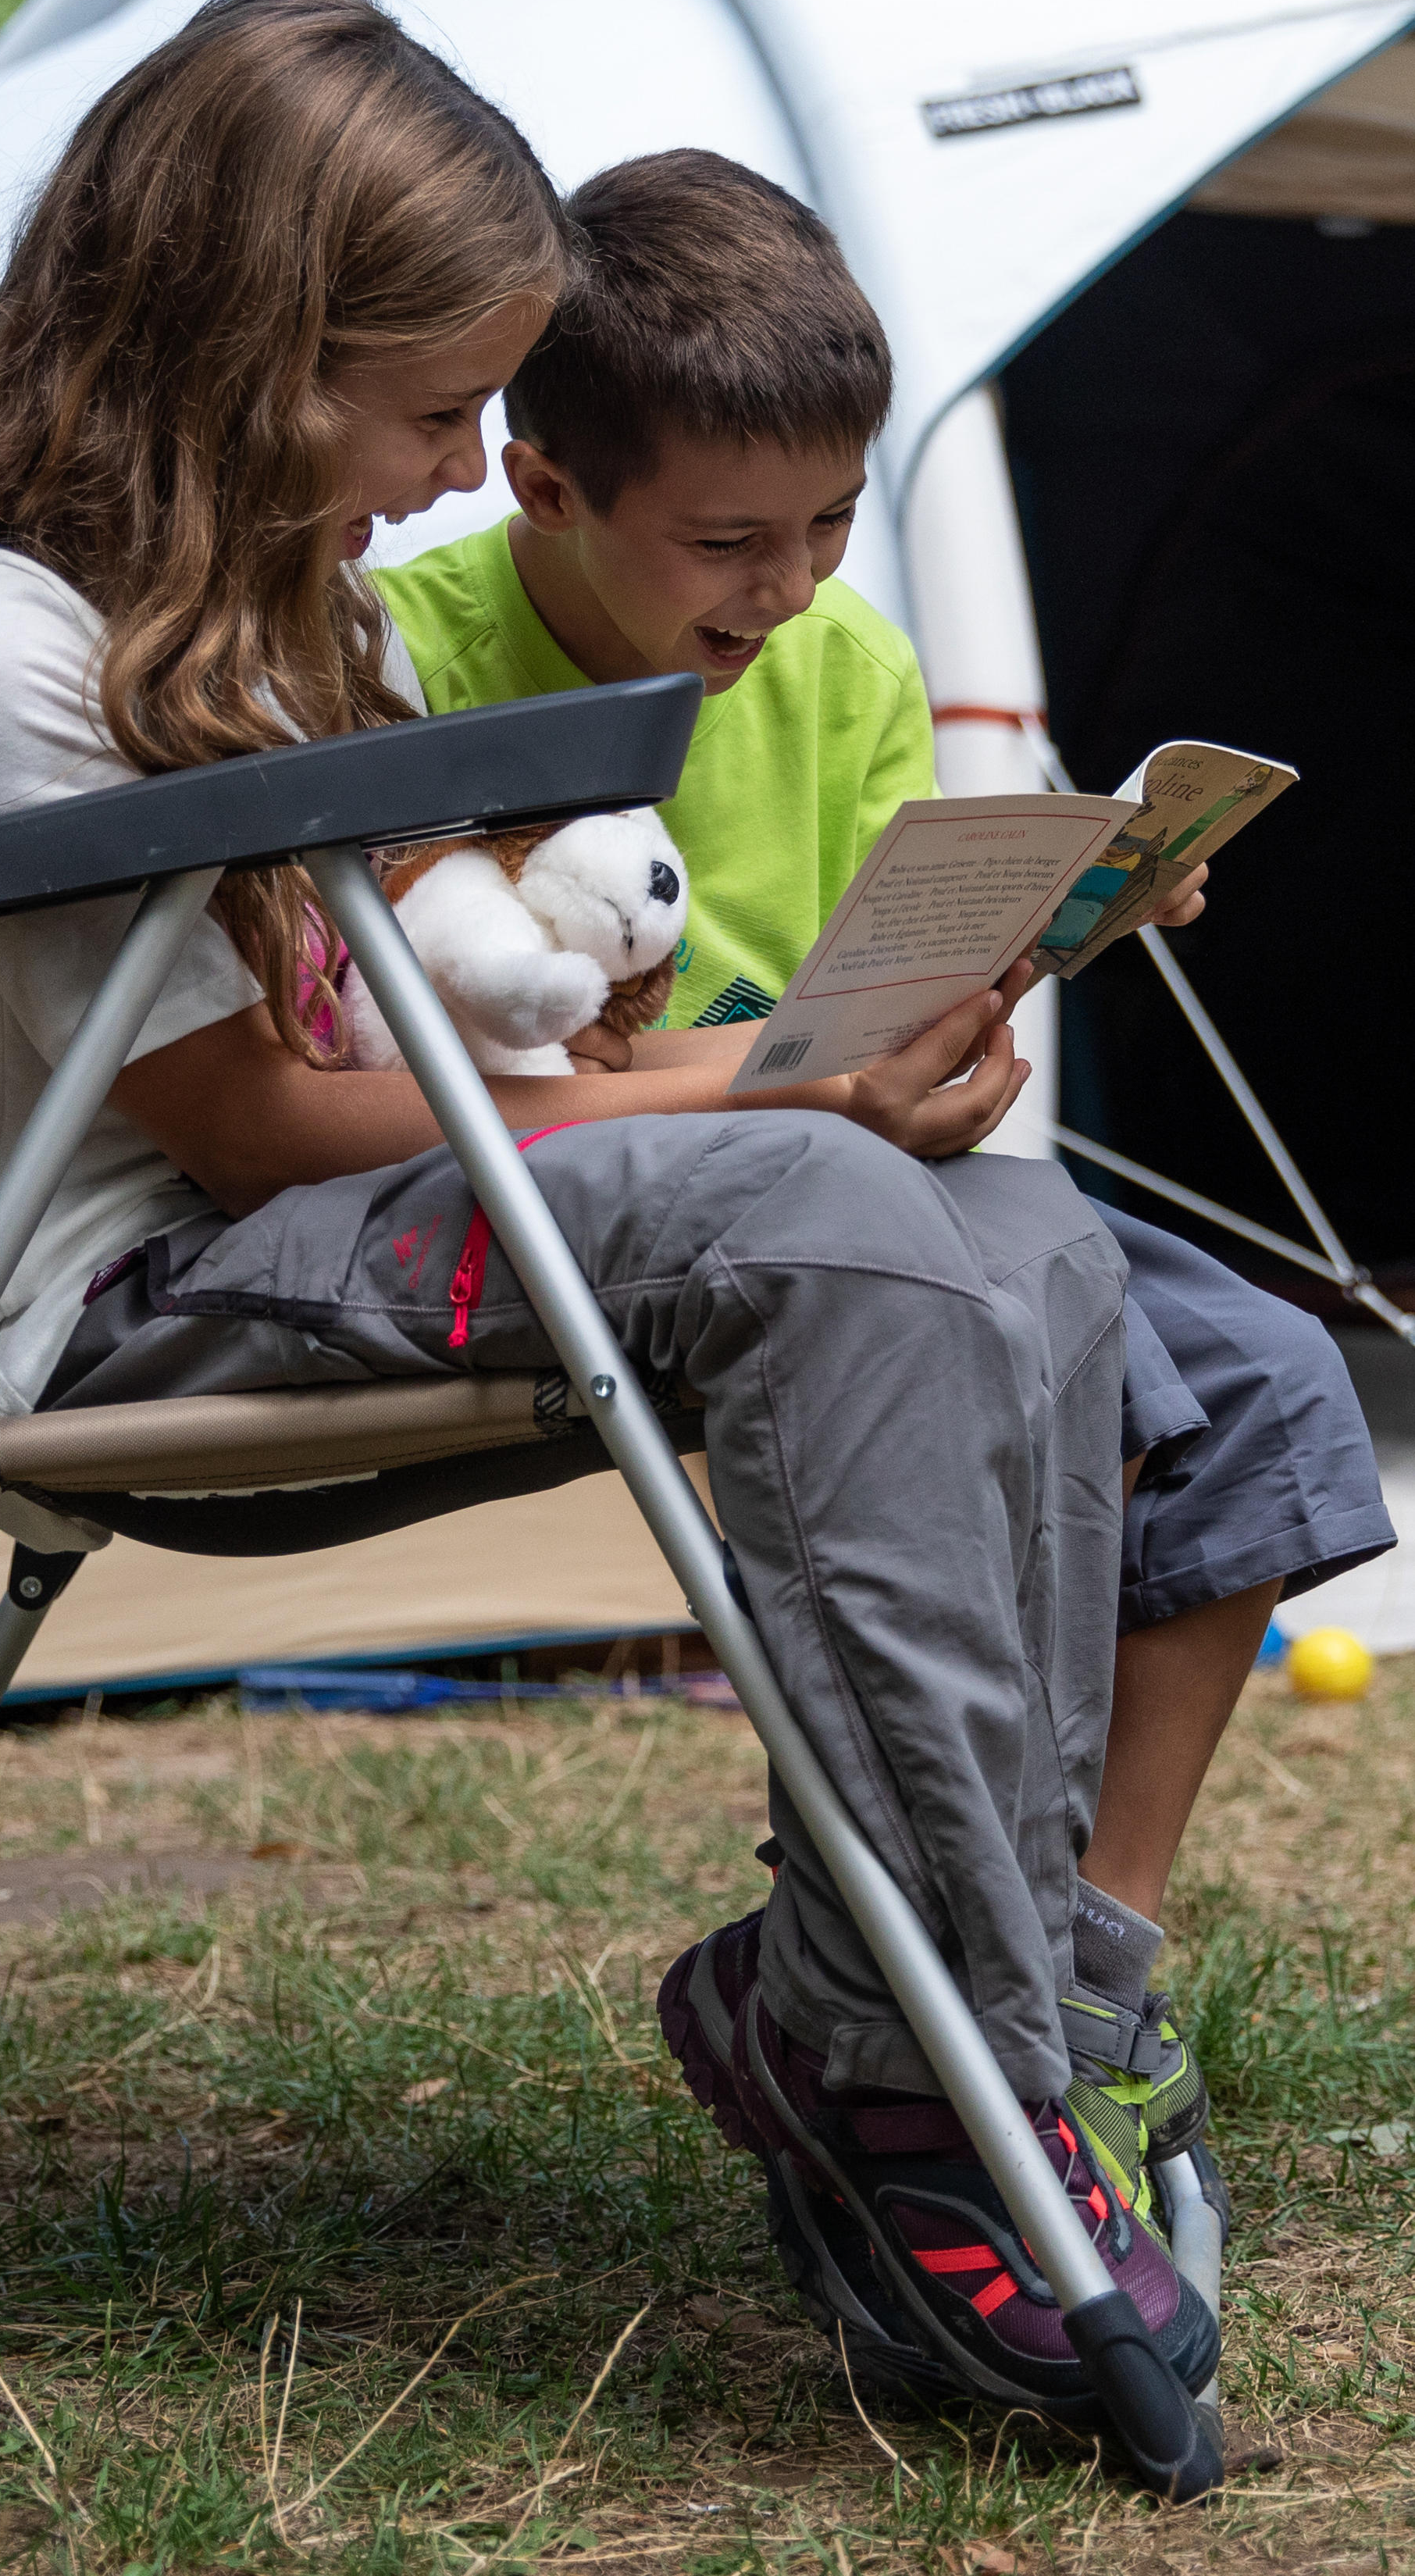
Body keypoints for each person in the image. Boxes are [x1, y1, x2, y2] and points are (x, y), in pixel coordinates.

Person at [0, 0, 1214, 2424]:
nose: (458, 472)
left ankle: (927, 2011)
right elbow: (261, 1132)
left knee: (1022, 1222)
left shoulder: (273, 618)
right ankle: (932, 2075)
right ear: (244, 346)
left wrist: (829, 1057)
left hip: (333, 1221)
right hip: (140, 1292)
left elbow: (458, 1043)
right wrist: (768, 1125)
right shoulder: (2, 654)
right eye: (430, 406)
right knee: (829, 1217)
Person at [372, 147, 1394, 2229]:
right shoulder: (402, 655)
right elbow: (435, 1042)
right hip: (653, 1200)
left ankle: (1077, 1966)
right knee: (979, 1343)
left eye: (830, 521)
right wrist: (825, 1090)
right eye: (725, 539)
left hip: (844, 1149)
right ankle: (914, 2001)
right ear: (539, 483)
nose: (783, 581)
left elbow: (876, 968)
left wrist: (1044, 932)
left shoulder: (834, 657)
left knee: (1266, 1379)